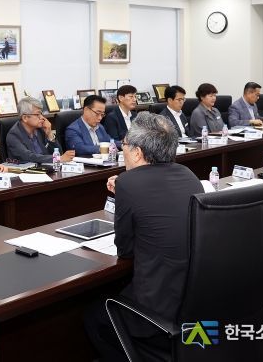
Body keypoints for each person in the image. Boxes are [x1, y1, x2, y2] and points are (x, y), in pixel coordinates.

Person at [84, 113, 203, 361]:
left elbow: (125, 250)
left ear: (137, 152)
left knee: (94, 315)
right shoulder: (188, 175)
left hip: (158, 308)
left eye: (125, 145)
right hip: (194, 301)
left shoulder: (128, 182)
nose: (123, 151)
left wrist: (125, 189)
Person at [6, 96, 75, 164]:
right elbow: (29, 157)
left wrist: (49, 134)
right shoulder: (13, 135)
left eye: (41, 114)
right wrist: (57, 159)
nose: (42, 117)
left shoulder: (40, 129)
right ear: (25, 118)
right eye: (37, 114)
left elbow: (59, 153)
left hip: (47, 167)